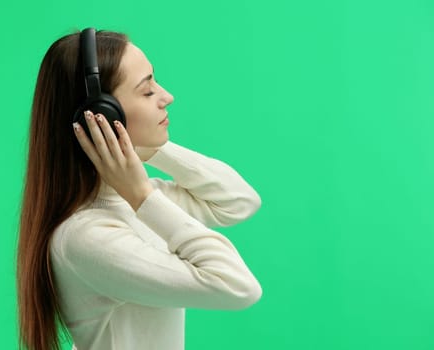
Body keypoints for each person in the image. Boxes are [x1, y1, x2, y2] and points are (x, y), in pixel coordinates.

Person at [16, 29, 263, 350]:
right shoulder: (88, 237)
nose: (166, 96)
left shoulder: (132, 202)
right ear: (102, 115)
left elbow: (238, 201)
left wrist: (144, 150)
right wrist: (142, 196)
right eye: (147, 91)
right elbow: (239, 287)